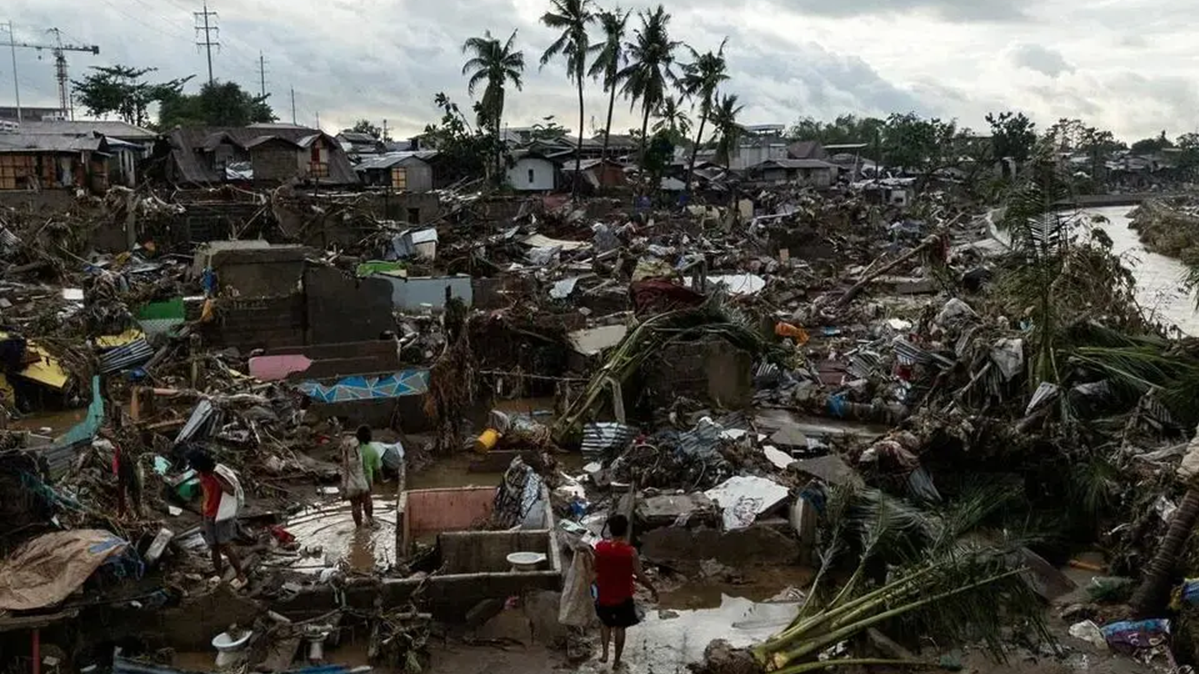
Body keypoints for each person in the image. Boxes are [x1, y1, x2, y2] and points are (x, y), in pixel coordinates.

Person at [593, 514, 657, 669]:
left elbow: (595, 570)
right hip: (623, 595)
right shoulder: (630, 552)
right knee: (620, 626)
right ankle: (616, 662)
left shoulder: (600, 547)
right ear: (626, 530)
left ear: (610, 529)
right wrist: (652, 589)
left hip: (604, 593)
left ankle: (604, 654)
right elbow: (640, 576)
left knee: (605, 623)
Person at [188, 448, 246, 587]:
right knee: (213, 546)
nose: (193, 467)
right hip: (209, 513)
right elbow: (205, 492)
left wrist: (217, 477)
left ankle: (240, 573)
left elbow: (231, 490)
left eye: (194, 464)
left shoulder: (217, 473)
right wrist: (203, 511)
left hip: (222, 514)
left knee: (224, 546)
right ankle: (218, 574)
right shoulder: (202, 474)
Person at [342, 425, 382, 527]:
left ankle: (358, 528)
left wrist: (344, 487)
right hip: (362, 480)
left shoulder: (349, 445)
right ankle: (369, 520)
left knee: (355, 505)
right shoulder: (365, 448)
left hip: (350, 481)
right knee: (367, 499)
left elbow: (346, 466)